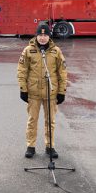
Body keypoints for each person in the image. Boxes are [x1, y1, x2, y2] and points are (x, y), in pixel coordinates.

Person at [17, 22, 68, 159]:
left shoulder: (56, 51)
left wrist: (61, 91)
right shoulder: (28, 50)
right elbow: (22, 70)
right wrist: (23, 89)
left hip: (51, 92)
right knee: (32, 120)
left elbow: (62, 72)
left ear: (49, 36)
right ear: (36, 35)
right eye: (40, 34)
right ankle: (30, 146)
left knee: (50, 121)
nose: (43, 38)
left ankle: (50, 146)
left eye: (45, 35)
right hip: (33, 93)